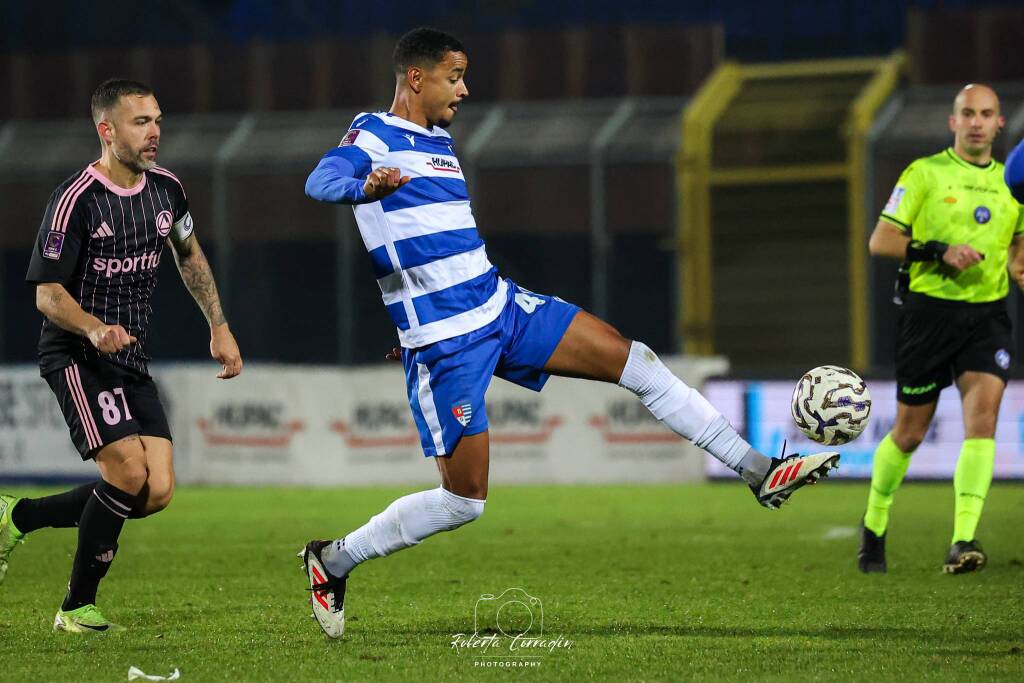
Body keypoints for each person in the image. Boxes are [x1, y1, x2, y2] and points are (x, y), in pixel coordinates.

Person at [300, 27, 840, 638]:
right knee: (464, 501)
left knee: (636, 360)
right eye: (455, 76)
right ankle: (334, 559)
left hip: (500, 307)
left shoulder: (440, 141)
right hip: (446, 344)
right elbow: (319, 181)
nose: (465, 88)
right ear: (417, 78)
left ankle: (757, 470)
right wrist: (362, 186)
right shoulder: (371, 134)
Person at [0, 79, 242, 633]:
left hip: (131, 356)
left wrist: (219, 325)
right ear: (106, 130)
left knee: (155, 491)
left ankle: (16, 516)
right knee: (128, 470)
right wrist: (93, 328)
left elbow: (189, 254)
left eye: (158, 119)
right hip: (75, 354)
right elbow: (47, 294)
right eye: (141, 122)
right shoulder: (75, 201)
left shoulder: (168, 191)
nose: (155, 131)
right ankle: (76, 607)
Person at [859, 84, 1024, 575]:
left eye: (987, 114)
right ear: (953, 122)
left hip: (986, 318)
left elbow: (1017, 249)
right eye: (968, 113)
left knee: (983, 420)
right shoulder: (925, 174)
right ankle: (874, 524)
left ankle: (963, 540)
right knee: (908, 434)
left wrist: (1020, 267)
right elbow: (881, 240)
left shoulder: (1014, 185)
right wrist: (938, 251)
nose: (977, 122)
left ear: (999, 125)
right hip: (927, 315)